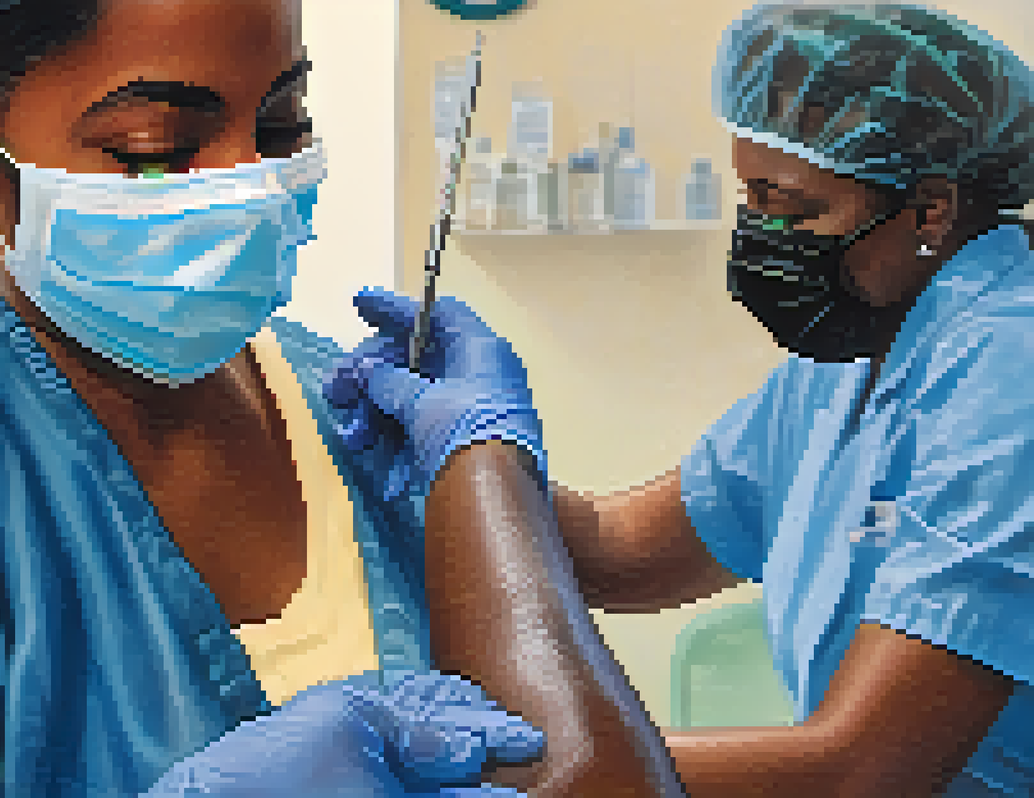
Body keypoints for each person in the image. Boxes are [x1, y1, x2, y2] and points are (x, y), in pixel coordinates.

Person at [0, 1, 685, 796]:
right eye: (156, 150)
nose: (247, 182)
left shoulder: (356, 412)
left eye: (282, 126)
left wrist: (486, 469)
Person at [331, 3, 1034, 796]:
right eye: (750, 197)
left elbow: (863, 767)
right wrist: (465, 459)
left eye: (791, 206)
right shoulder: (853, 354)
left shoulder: (1013, 374)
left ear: (930, 210)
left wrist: (526, 774)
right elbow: (627, 550)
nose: (760, 233)